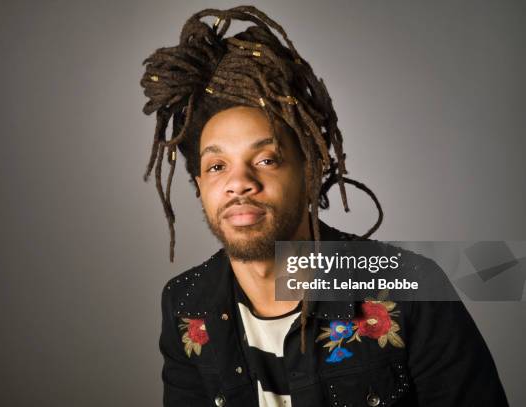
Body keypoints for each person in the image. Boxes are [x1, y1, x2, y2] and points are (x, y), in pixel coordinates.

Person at [140, 6, 508, 406]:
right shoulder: (184, 305)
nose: (239, 182)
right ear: (200, 186)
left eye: (266, 159)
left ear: (311, 171)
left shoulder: (412, 289)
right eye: (217, 166)